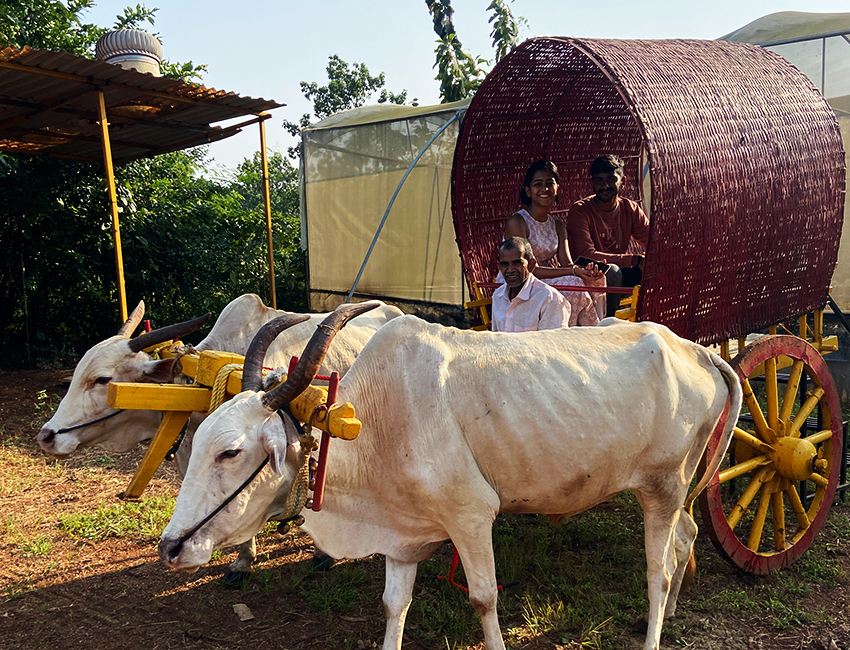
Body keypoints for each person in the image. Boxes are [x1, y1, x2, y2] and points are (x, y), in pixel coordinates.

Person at [502, 159, 605, 326]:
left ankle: (591, 329)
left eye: (550, 184)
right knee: (573, 282)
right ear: (528, 191)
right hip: (519, 280)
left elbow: (567, 264)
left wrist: (586, 271)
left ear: (557, 188)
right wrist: (574, 272)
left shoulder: (558, 225)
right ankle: (567, 332)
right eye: (538, 184)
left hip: (544, 280)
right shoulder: (518, 221)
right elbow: (526, 269)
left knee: (591, 279)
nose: (545, 189)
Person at [566, 154, 650, 317]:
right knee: (613, 271)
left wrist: (650, 260)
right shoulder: (580, 211)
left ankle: (651, 317)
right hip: (587, 274)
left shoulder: (630, 208)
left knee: (650, 268)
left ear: (623, 181)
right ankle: (609, 323)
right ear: (592, 183)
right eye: (599, 180)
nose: (605, 186)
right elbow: (586, 254)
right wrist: (633, 259)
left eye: (611, 179)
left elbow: (652, 242)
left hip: (618, 273)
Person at [491, 237, 570, 332]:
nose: (510, 270)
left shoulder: (550, 299)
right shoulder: (497, 296)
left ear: (531, 265)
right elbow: (496, 339)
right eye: (505, 264)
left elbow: (551, 343)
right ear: (499, 267)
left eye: (517, 263)